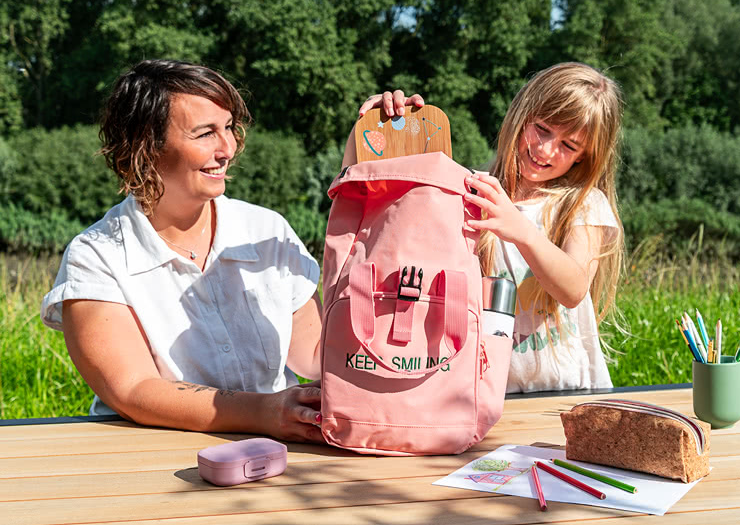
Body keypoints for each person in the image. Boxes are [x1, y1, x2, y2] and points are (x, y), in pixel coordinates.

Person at [40, 59, 414, 442]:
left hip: (272, 453)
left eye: (230, 128)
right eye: (205, 133)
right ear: (145, 147)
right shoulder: (95, 256)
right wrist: (265, 412)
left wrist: (367, 175)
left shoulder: (267, 230)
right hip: (146, 460)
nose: (228, 148)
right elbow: (133, 390)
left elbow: (318, 357)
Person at [463, 62, 625, 393]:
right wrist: (389, 126)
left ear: (584, 156)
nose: (546, 149)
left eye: (569, 145)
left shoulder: (584, 203)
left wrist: (518, 227)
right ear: (522, 116)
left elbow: (572, 289)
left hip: (567, 395)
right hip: (487, 395)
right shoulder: (474, 191)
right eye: (542, 128)